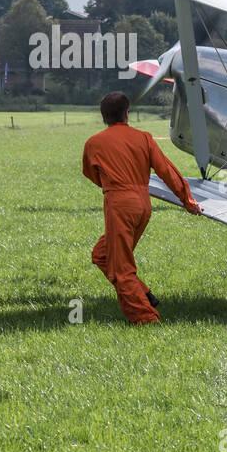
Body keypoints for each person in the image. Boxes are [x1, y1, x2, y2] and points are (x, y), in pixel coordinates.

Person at [82, 92, 203, 324]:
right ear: (127, 114)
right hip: (143, 205)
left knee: (121, 268)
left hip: (118, 204)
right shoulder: (144, 138)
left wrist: (112, 186)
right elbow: (167, 171)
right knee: (102, 254)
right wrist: (188, 201)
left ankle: (146, 319)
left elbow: (91, 173)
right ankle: (143, 292)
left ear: (103, 117)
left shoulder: (94, 143)